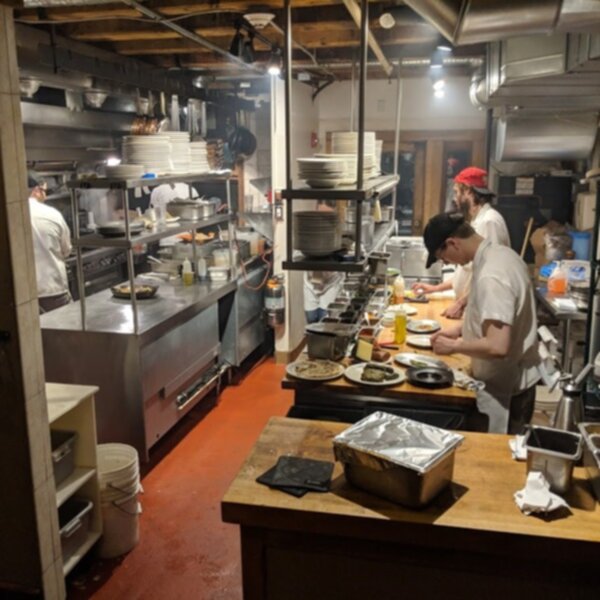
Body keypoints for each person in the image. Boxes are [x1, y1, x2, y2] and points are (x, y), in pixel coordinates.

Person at [423, 212, 540, 434]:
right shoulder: (501, 255)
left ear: (452, 243)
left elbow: (498, 346)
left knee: (496, 452)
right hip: (510, 380)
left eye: (442, 257)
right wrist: (460, 329)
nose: (445, 262)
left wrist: (454, 346)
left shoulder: (491, 276)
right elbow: (502, 316)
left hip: (505, 388)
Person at [413, 166, 510, 319]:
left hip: (482, 312)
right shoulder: (478, 221)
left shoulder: (489, 222)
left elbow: (491, 275)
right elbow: (468, 272)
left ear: (469, 191)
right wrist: (436, 288)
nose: (454, 198)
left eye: (457, 192)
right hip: (468, 309)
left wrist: (461, 303)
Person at [28, 172, 73, 313]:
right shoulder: (52, 214)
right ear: (37, 190)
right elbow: (66, 250)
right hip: (52, 290)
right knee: (64, 325)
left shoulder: (9, 213)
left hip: (22, 295)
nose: (45, 196)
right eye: (45, 191)